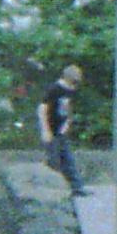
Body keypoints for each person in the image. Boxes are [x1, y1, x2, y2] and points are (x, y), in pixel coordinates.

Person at [39, 63, 87, 198]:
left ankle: (77, 187)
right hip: (51, 130)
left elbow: (68, 108)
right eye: (73, 81)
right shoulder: (54, 89)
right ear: (67, 78)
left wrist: (67, 123)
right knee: (53, 160)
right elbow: (42, 109)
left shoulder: (70, 90)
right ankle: (50, 188)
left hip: (61, 131)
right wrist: (45, 130)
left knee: (68, 159)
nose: (74, 85)